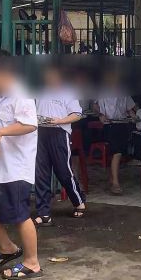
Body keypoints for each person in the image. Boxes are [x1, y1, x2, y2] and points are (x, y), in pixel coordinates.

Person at [0, 50, 43, 280]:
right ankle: (7, 248)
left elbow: (29, 124)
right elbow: (3, 124)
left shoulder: (21, 94)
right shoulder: (2, 96)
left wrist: (0, 132)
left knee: (20, 216)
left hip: (16, 169)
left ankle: (32, 263)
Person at [33, 64, 86, 226]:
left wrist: (59, 121)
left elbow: (77, 114)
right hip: (41, 132)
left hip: (59, 133)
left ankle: (78, 201)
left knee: (63, 171)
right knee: (41, 172)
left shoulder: (68, 92)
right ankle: (43, 213)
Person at [95, 71, 135, 195]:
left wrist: (134, 116)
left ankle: (112, 178)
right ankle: (115, 183)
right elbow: (95, 105)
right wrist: (100, 115)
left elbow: (130, 108)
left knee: (119, 152)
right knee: (117, 152)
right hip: (110, 125)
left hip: (122, 124)